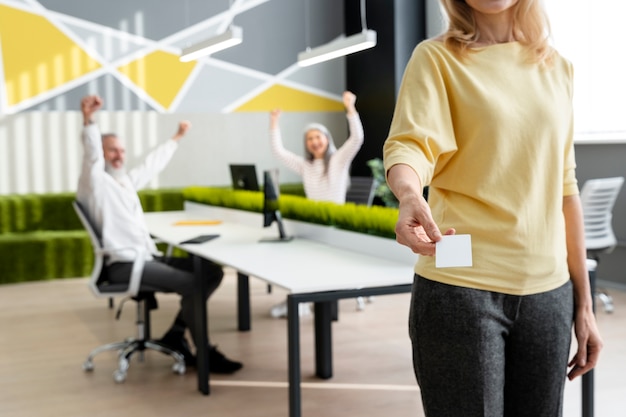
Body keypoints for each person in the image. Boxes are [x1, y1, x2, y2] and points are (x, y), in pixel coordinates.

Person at [382, 1, 603, 416]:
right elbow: (411, 144)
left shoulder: (558, 68)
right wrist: (410, 193)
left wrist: (584, 306)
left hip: (549, 295)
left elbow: (565, 187)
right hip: (460, 289)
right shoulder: (436, 58)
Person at [76, 94, 242, 374]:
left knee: (212, 272)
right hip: (125, 265)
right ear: (101, 154)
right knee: (194, 284)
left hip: (145, 257)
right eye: (111, 150)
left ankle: (176, 335)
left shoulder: (123, 183)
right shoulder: (95, 184)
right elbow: (91, 156)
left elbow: (150, 165)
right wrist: (89, 120)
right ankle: (204, 353)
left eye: (121, 151)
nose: (119, 156)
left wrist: (176, 138)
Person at [268, 90, 365, 318]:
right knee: (294, 252)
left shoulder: (339, 161)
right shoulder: (306, 166)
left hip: (335, 225)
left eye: (318, 137)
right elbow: (278, 152)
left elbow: (357, 139)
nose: (314, 142)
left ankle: (303, 299)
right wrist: (274, 122)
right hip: (314, 224)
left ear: (327, 139)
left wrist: (350, 108)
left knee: (307, 255)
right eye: (309, 139)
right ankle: (299, 298)